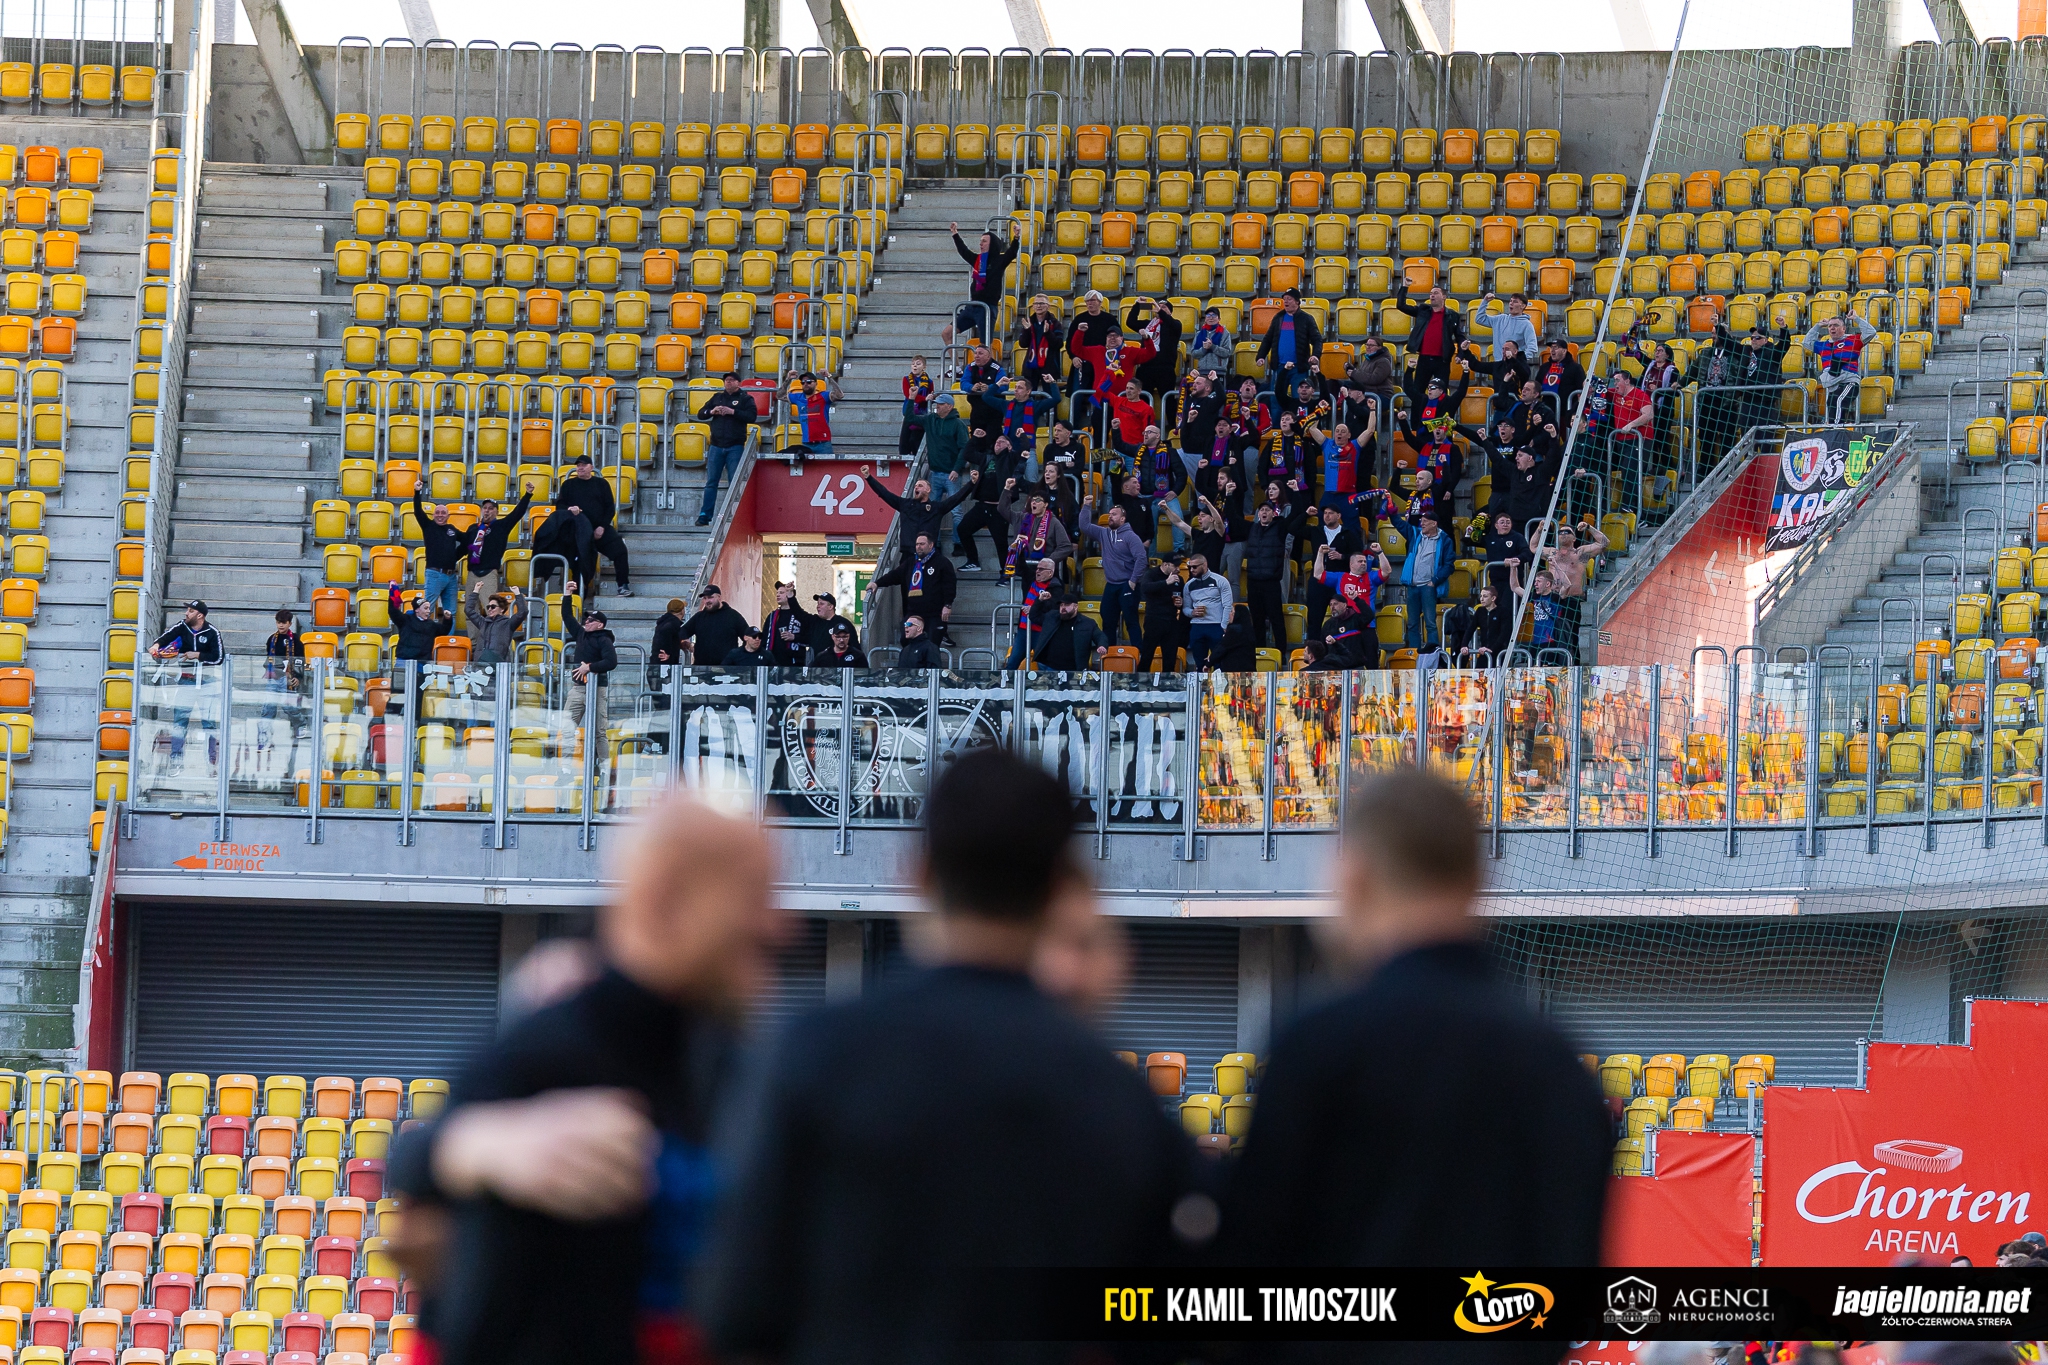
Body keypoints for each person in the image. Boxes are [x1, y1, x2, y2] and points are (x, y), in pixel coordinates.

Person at [698, 747, 1199, 1364]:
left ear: (920, 873)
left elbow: (737, 1306)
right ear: (1058, 889)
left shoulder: (816, 1056)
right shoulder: (1115, 1097)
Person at [387, 790, 789, 1365]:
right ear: (666, 899)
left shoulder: (737, 1064)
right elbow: (415, 1208)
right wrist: (469, 1150)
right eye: (754, 896)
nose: (781, 926)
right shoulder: (551, 1050)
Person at [1219, 769, 1609, 1300]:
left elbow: (1252, 1268)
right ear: (1477, 880)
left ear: (1354, 878)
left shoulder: (1319, 1047)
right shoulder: (1559, 1067)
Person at [557, 454, 630, 597]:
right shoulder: (568, 485)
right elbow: (559, 506)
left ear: (591, 467)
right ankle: (578, 597)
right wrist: (569, 509)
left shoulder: (601, 484)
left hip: (599, 529)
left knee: (620, 550)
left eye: (584, 465)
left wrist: (602, 526)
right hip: (578, 532)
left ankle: (623, 585)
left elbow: (610, 508)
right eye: (578, 465)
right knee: (580, 564)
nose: (580, 468)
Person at [1076, 504, 1149, 647]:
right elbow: (1084, 526)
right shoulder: (1104, 533)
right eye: (1109, 514)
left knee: (1131, 621)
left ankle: (1138, 652)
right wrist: (1086, 506)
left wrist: (1133, 581)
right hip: (1111, 585)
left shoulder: (1131, 536)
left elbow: (1141, 558)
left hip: (1127, 584)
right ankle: (1108, 653)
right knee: (1108, 621)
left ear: (1122, 519)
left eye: (1114, 514)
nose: (1110, 516)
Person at [1392, 281, 1467, 410]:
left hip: (1442, 361)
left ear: (1444, 297)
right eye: (1431, 293)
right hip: (1424, 359)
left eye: (1436, 293)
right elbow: (1401, 305)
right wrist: (1404, 286)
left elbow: (1460, 336)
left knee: (1441, 393)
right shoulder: (1423, 310)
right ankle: (1416, 421)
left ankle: (1440, 420)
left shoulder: (1452, 315)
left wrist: (1460, 354)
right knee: (1418, 393)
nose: (1432, 295)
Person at [871, 532, 957, 642]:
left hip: (934, 614)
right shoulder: (911, 562)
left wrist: (947, 605)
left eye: (922, 544)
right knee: (905, 640)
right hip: (913, 613)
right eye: (917, 544)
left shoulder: (942, 562)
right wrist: (877, 583)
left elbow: (949, 585)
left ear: (931, 545)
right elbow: (895, 575)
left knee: (932, 644)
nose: (918, 547)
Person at [699, 372, 759, 525]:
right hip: (716, 445)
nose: (728, 383)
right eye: (726, 380)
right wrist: (712, 411)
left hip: (735, 446)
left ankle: (735, 515)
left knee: (734, 482)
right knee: (711, 482)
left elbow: (752, 416)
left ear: (738, 383)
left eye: (732, 380)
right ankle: (705, 515)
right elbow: (701, 414)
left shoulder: (745, 399)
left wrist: (733, 412)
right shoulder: (717, 397)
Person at [946, 221, 1019, 343]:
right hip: (972, 306)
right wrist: (955, 234)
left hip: (987, 307)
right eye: (980, 241)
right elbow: (964, 251)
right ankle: (956, 357)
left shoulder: (999, 260)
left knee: (985, 343)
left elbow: (1011, 253)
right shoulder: (977, 260)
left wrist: (1016, 237)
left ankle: (986, 356)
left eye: (984, 241)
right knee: (947, 334)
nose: (981, 243)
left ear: (992, 244)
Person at [1806, 310, 1878, 423]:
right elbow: (1806, 342)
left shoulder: (1853, 340)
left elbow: (1871, 332)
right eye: (1830, 326)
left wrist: (1856, 318)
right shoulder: (1823, 345)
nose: (1832, 328)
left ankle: (1836, 428)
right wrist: (1818, 326)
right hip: (1832, 383)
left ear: (1844, 328)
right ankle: (1834, 428)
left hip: (1849, 381)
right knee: (1831, 404)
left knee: (1838, 400)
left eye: (1836, 325)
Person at [463, 485, 533, 601]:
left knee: (490, 607)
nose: (487, 511)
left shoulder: (501, 526)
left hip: (488, 573)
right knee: (469, 609)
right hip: (471, 573)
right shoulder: (473, 528)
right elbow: (463, 548)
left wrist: (528, 495)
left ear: (497, 512)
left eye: (491, 508)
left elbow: (517, 513)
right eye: (485, 508)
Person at [1401, 506, 1453, 652]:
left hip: (1428, 587)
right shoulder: (1415, 534)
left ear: (1434, 523)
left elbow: (1449, 565)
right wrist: (1391, 513)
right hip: (1413, 586)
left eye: (1425, 521)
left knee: (1430, 623)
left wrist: (1434, 581)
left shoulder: (1445, 540)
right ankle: (1414, 653)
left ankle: (1432, 653)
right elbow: (1400, 525)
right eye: (1421, 521)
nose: (1421, 524)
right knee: (1412, 624)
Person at [1254, 288, 1322, 397]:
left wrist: (1315, 355)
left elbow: (1317, 339)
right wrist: (1261, 356)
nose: (1286, 301)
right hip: (1280, 367)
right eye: (1284, 299)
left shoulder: (1307, 319)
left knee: (1299, 398)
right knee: (1276, 398)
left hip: (1298, 368)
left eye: (1289, 299)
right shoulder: (1278, 318)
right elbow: (1268, 339)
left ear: (1297, 302)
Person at [563, 604, 616, 743]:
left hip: (597, 688)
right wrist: (567, 595)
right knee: (566, 729)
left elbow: (611, 662)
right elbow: (567, 616)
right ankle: (567, 758)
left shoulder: (604, 639)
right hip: (578, 688)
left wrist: (589, 667)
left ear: (600, 625)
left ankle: (602, 758)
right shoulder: (581, 634)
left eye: (591, 620)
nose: (587, 622)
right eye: (586, 619)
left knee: (600, 732)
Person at [999, 482, 1073, 578]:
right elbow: (1002, 509)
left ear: (1045, 504)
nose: (1033, 502)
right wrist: (1007, 488)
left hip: (1045, 572)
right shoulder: (1021, 518)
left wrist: (1050, 560)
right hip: (1025, 570)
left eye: (1038, 500)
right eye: (1032, 500)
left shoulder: (1054, 522)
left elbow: (1066, 546)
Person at [413, 490, 468, 615]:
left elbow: (466, 540)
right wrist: (417, 492)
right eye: (437, 512)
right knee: (427, 609)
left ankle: (449, 630)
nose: (440, 515)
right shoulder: (428, 526)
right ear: (433, 515)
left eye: (443, 513)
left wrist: (455, 556)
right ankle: (423, 629)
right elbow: (418, 511)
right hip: (434, 574)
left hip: (451, 576)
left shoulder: (451, 529)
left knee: (451, 613)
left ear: (448, 516)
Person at [1003, 556, 1063, 667]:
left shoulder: (1056, 587)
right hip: (1023, 629)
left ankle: (1045, 679)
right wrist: (1020, 550)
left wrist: (1035, 607)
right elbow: (1021, 567)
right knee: (1012, 661)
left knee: (1043, 664)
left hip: (1041, 631)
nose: (1037, 571)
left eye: (1041, 569)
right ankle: (1006, 679)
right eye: (1037, 568)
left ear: (1050, 572)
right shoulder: (1031, 578)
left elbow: (1053, 608)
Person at [1030, 594, 1109, 671]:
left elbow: (1100, 636)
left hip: (1073, 669)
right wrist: (1039, 600)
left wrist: (1102, 645)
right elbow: (1034, 616)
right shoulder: (1051, 616)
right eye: (1061, 605)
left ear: (1076, 607)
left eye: (1067, 605)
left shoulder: (1087, 623)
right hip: (1047, 666)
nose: (1063, 608)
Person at [1180, 553, 1232, 669]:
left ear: (1204, 565)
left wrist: (1224, 625)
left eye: (1194, 567)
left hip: (1216, 625)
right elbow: (1186, 608)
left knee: (1219, 663)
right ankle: (1201, 680)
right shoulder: (1189, 585)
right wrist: (1192, 613)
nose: (1191, 570)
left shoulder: (1220, 581)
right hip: (1197, 626)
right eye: (1189, 567)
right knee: (1199, 664)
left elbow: (1227, 605)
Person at [677, 585, 750, 667]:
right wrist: (686, 642)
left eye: (710, 597)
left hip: (726, 670)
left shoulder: (733, 616)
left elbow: (748, 637)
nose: (707, 601)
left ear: (719, 597)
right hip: (701, 668)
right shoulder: (699, 617)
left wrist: (738, 656)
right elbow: (683, 630)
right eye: (705, 598)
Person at [1124, 295, 1182, 394]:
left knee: (1168, 399)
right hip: (1146, 367)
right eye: (1158, 306)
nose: (1160, 308)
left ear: (1170, 312)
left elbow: (1170, 322)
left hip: (1165, 369)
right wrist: (1137, 305)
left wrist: (1160, 311)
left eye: (1164, 307)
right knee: (1143, 397)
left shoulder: (1175, 324)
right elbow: (1130, 322)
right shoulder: (1148, 324)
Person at [465, 583, 527, 665]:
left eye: (493, 607)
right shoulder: (483, 622)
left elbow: (523, 612)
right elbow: (468, 610)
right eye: (488, 607)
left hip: (498, 664)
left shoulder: (508, 623)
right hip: (480, 663)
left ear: (502, 609)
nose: (490, 609)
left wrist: (517, 594)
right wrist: (476, 591)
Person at [785, 370, 843, 455]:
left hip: (823, 443)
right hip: (806, 443)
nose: (806, 384)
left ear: (816, 383)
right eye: (803, 382)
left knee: (827, 464)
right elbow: (779, 395)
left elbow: (840, 395)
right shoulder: (798, 397)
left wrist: (829, 376)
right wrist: (787, 379)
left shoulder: (823, 396)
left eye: (809, 382)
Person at [1474, 290, 1538, 365]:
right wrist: (1485, 301)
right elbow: (1479, 319)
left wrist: (1519, 361)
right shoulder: (1500, 319)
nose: (1511, 303)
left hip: (1515, 366)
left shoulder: (1527, 325)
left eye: (1515, 302)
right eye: (1510, 301)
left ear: (1523, 306)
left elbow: (1532, 347)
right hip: (1498, 364)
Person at [764, 582, 816, 666]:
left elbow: (809, 638)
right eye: (777, 593)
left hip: (795, 663)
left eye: (781, 593)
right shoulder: (772, 616)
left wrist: (794, 637)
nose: (778, 595)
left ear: (790, 594)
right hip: (774, 662)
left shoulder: (800, 615)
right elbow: (764, 638)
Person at [897, 355, 935, 459]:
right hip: (909, 412)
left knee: (915, 439)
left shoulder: (929, 382)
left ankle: (916, 459)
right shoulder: (906, 379)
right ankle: (904, 459)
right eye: (913, 364)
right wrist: (924, 398)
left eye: (918, 364)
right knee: (904, 440)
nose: (915, 366)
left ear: (924, 367)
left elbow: (930, 395)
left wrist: (931, 397)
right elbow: (908, 394)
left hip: (921, 414)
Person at [807, 593, 858, 658]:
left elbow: (855, 648)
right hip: (817, 663)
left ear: (830, 607)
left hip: (837, 663)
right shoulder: (815, 621)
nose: (818, 606)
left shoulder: (844, 623)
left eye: (821, 604)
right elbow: (800, 614)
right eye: (818, 604)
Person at [1187, 305, 1232, 375]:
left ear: (1219, 319)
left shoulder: (1225, 333)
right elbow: (1193, 353)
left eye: (1214, 315)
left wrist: (1212, 347)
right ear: (1205, 319)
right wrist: (1204, 349)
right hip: (1202, 370)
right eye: (1208, 315)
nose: (1211, 318)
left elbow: (1227, 353)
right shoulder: (1199, 334)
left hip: (1219, 371)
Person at [1472, 581, 1512, 658]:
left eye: (1485, 596)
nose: (1481, 599)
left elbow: (1504, 633)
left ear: (1493, 598)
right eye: (1481, 596)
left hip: (1498, 652)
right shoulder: (1480, 611)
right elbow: (1470, 629)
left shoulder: (1503, 612)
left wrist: (1491, 649)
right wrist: (1464, 645)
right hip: (1484, 651)